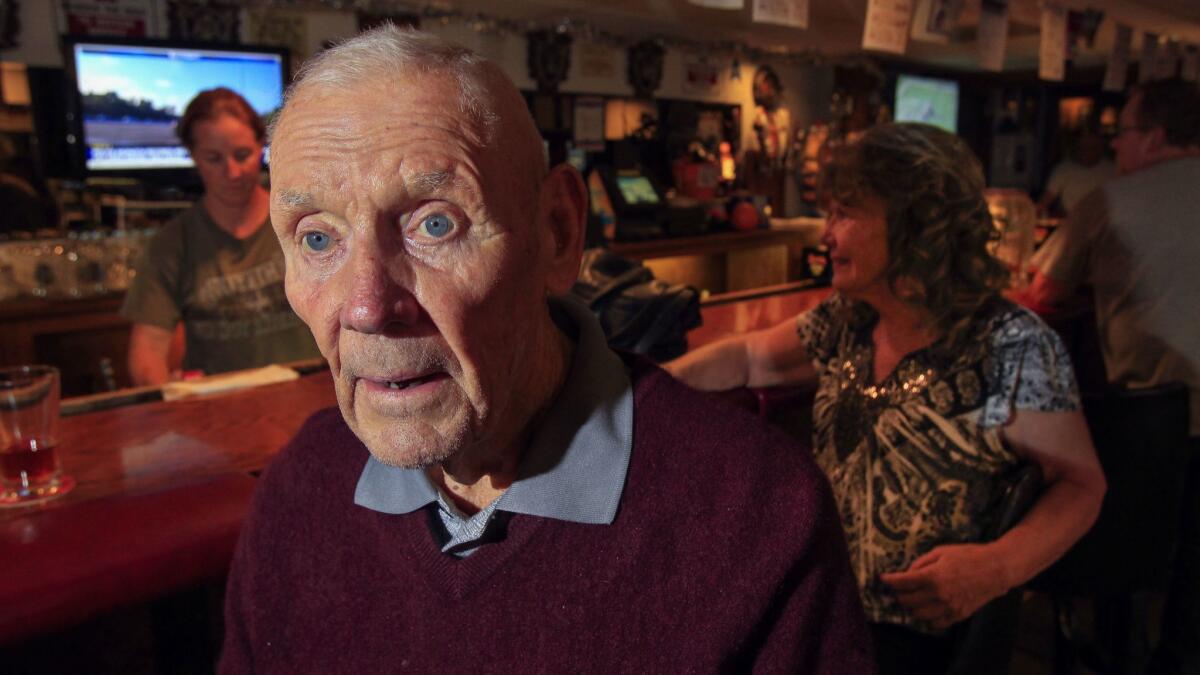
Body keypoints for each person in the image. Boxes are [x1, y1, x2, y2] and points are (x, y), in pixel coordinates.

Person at [219, 27, 872, 674]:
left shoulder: (756, 514)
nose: (365, 305)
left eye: (434, 223)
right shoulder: (299, 490)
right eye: (315, 239)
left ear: (557, 233)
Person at [669, 122, 1106, 674]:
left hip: (917, 643)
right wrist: (643, 386)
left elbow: (1083, 485)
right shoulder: (849, 320)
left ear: (914, 227)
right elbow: (750, 356)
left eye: (845, 214)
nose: (826, 234)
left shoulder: (1011, 344)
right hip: (822, 614)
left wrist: (997, 568)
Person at [1022, 78, 1200, 675]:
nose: (1117, 145)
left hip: (1156, 426)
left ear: (1152, 137)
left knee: (1131, 550)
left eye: (1122, 131)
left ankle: (1107, 645)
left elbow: (1044, 293)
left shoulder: (1111, 200)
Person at [120, 88, 319, 385]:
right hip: (221, 406)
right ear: (194, 157)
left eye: (243, 155)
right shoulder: (173, 244)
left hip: (312, 390)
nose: (233, 172)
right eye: (214, 158)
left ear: (262, 145)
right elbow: (147, 351)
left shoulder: (301, 219)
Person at [1036, 126, 1115, 216]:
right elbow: (1045, 200)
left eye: (1091, 148)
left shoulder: (1111, 170)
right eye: (1082, 148)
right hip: (1071, 220)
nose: (1087, 152)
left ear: (1100, 149)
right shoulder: (1064, 169)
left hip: (1102, 221)